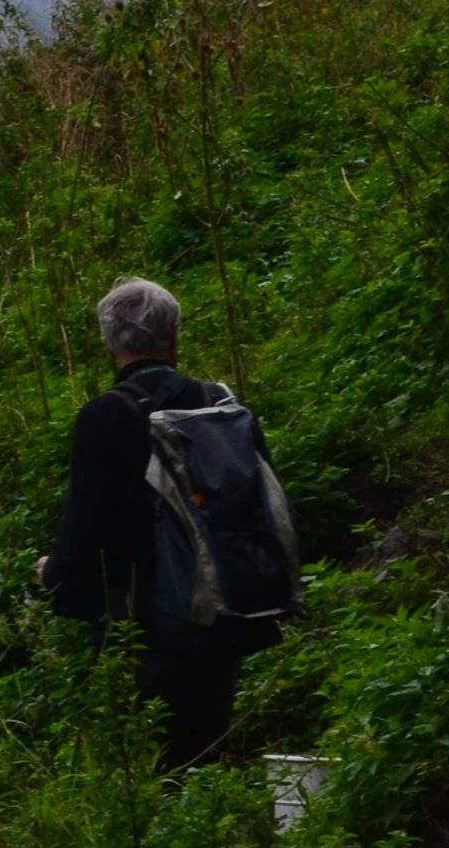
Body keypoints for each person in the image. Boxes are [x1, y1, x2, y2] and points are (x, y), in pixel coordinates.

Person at [38, 278, 280, 766]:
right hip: (220, 607)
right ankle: (219, 826)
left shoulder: (106, 417)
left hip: (142, 620)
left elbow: (85, 524)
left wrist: (54, 575)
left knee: (150, 755)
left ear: (110, 342)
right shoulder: (219, 404)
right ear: (174, 336)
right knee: (206, 742)